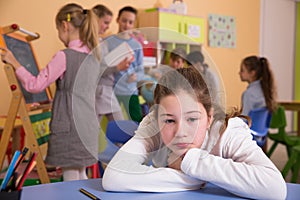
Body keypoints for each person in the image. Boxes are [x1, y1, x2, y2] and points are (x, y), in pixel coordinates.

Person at [102, 67, 287, 199]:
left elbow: (275, 188)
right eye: (169, 121)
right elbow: (114, 177)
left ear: (208, 117)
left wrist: (190, 160)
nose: (181, 132)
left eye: (192, 119)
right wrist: (192, 178)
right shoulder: (154, 123)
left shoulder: (227, 131)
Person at [1, 3, 101, 181]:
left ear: (65, 25)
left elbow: (35, 85)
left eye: (58, 30)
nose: (59, 35)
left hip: (70, 128)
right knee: (80, 174)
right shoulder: (93, 58)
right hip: (87, 127)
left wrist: (14, 62)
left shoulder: (65, 56)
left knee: (70, 178)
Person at [92, 4, 131, 122]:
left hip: (108, 89)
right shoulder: (90, 43)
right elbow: (95, 70)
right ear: (95, 20)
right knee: (92, 130)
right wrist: (117, 67)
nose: (108, 27)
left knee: (119, 127)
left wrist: (120, 63)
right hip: (97, 91)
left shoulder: (102, 42)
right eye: (105, 23)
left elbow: (105, 63)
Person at [105, 6, 144, 122]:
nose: (127, 25)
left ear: (134, 24)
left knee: (137, 123)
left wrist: (136, 77)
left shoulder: (137, 46)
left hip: (130, 91)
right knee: (114, 125)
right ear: (117, 20)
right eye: (124, 21)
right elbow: (102, 66)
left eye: (130, 22)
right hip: (112, 91)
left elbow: (141, 70)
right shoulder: (107, 42)